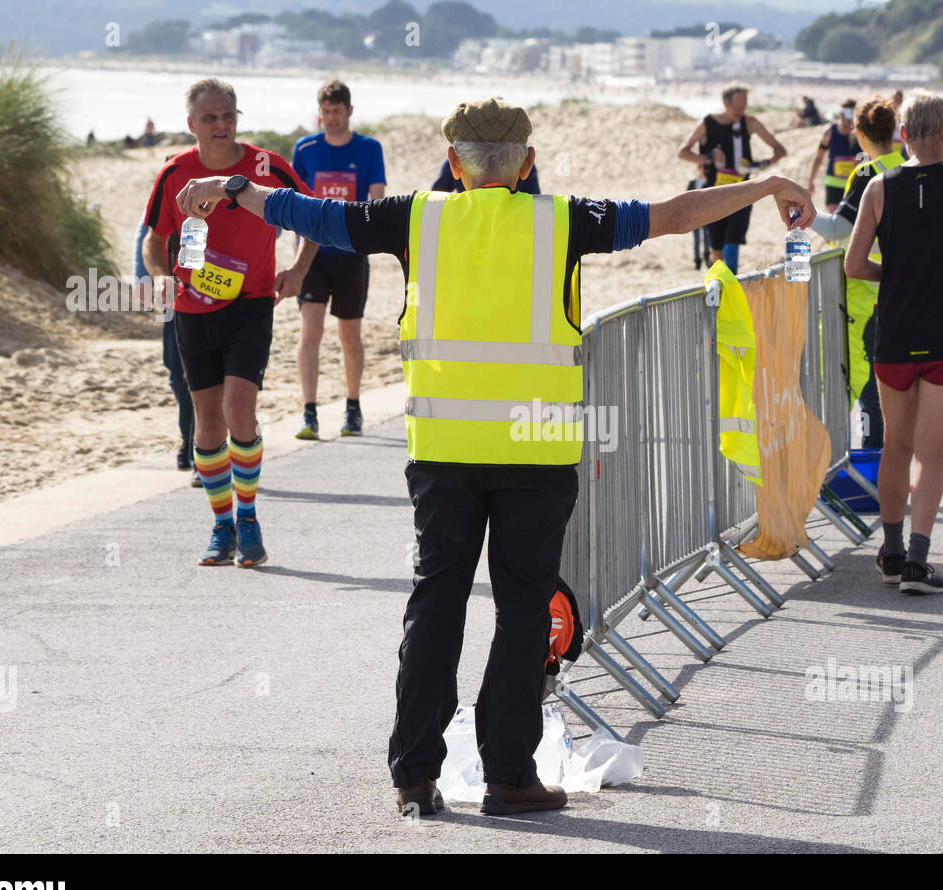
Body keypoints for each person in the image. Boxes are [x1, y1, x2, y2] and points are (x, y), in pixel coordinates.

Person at [175, 96, 816, 816]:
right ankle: (509, 775)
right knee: (520, 611)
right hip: (535, 453)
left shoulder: (417, 217)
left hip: (443, 451)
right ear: (528, 164)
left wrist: (236, 189)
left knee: (436, 604)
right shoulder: (562, 221)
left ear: (453, 164)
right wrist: (765, 187)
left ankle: (415, 776)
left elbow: (308, 215)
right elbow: (670, 214)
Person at [142, 78, 316, 567]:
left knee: (241, 410)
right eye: (210, 118)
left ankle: (248, 517)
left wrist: (298, 271)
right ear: (192, 124)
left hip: (252, 303)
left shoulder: (265, 166)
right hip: (194, 309)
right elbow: (154, 240)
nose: (221, 126)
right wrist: (158, 278)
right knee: (208, 425)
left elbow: (314, 217)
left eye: (229, 116)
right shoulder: (174, 172)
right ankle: (220, 525)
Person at [845, 93, 943, 595]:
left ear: (904, 134)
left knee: (896, 445)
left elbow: (853, 265)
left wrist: (897, 275)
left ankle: (890, 554)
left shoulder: (877, 186)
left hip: (895, 329)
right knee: (931, 453)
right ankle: (917, 561)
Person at [806, 98, 905, 450]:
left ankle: (871, 474)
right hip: (905, 296)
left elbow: (836, 229)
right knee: (894, 390)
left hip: (865, 298)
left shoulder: (868, 173)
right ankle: (888, 473)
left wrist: (804, 212)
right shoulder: (909, 166)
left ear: (859, 133)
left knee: (867, 390)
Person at [290, 79, 386, 440]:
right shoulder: (306, 148)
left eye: (337, 111)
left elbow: (377, 198)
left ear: (349, 111)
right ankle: (309, 412)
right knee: (310, 331)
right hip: (312, 255)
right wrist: (295, 246)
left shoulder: (369, 148)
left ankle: (352, 406)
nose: (331, 118)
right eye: (325, 112)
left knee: (350, 335)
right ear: (320, 113)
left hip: (350, 254)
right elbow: (294, 199)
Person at [677, 83, 787, 273]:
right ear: (725, 103)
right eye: (737, 108)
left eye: (744, 107)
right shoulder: (707, 124)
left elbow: (780, 150)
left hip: (743, 192)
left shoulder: (750, 122)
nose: (740, 112)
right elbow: (683, 152)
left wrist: (761, 164)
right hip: (711, 193)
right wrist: (708, 158)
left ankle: (732, 281)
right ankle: (718, 285)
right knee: (716, 246)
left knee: (733, 241)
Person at [135, 218, 198, 486]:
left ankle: (201, 453)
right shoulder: (168, 185)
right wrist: (144, 281)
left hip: (219, 300)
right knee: (176, 374)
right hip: (175, 299)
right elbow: (145, 234)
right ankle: (188, 437)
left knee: (203, 376)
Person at [806, 98, 859, 212]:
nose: (849, 122)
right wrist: (811, 180)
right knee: (833, 216)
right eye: (847, 118)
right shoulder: (830, 131)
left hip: (853, 185)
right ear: (841, 114)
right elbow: (819, 156)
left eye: (852, 119)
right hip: (833, 182)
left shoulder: (859, 133)